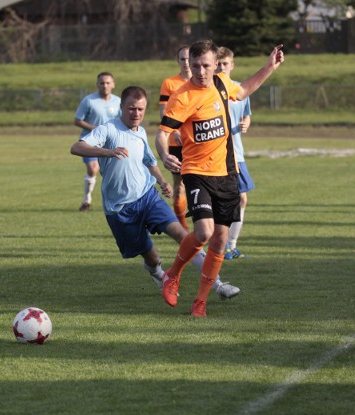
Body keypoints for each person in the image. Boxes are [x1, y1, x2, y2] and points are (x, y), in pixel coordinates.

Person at [70, 86, 240, 300]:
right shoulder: (108, 129)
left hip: (147, 197)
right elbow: (77, 147)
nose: (136, 114)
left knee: (183, 235)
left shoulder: (140, 132)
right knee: (150, 256)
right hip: (120, 209)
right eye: (131, 108)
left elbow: (149, 161)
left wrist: (162, 181)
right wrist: (107, 152)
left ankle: (218, 285)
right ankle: (159, 275)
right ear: (121, 107)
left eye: (141, 109)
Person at [155, 39, 285, 317]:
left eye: (205, 65)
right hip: (196, 172)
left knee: (220, 241)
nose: (200, 71)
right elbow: (162, 133)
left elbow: (246, 89)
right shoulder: (182, 96)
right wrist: (164, 155)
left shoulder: (223, 84)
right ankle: (173, 274)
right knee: (204, 232)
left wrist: (269, 67)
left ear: (216, 65)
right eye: (194, 65)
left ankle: (200, 301)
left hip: (226, 173)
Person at [216, 46, 253, 260]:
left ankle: (231, 245)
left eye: (225, 64)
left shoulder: (240, 90)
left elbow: (247, 114)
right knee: (217, 201)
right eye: (218, 64)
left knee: (241, 198)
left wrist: (246, 123)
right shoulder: (209, 90)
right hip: (214, 155)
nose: (221, 67)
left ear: (232, 65)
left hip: (236, 154)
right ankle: (217, 244)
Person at [74, 72, 121, 212]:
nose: (105, 86)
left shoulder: (118, 101)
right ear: (97, 85)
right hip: (90, 142)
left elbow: (122, 121)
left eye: (108, 83)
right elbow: (77, 120)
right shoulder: (89, 101)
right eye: (102, 83)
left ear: (113, 84)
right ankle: (87, 198)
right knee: (93, 169)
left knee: (114, 173)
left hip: (111, 143)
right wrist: (95, 129)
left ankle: (115, 202)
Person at [159, 45, 192, 230]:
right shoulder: (170, 83)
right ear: (177, 61)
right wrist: (174, 131)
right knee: (179, 185)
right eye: (182, 59)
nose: (186, 63)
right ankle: (183, 228)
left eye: (189, 59)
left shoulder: (203, 81)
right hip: (176, 142)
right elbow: (163, 112)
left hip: (197, 142)